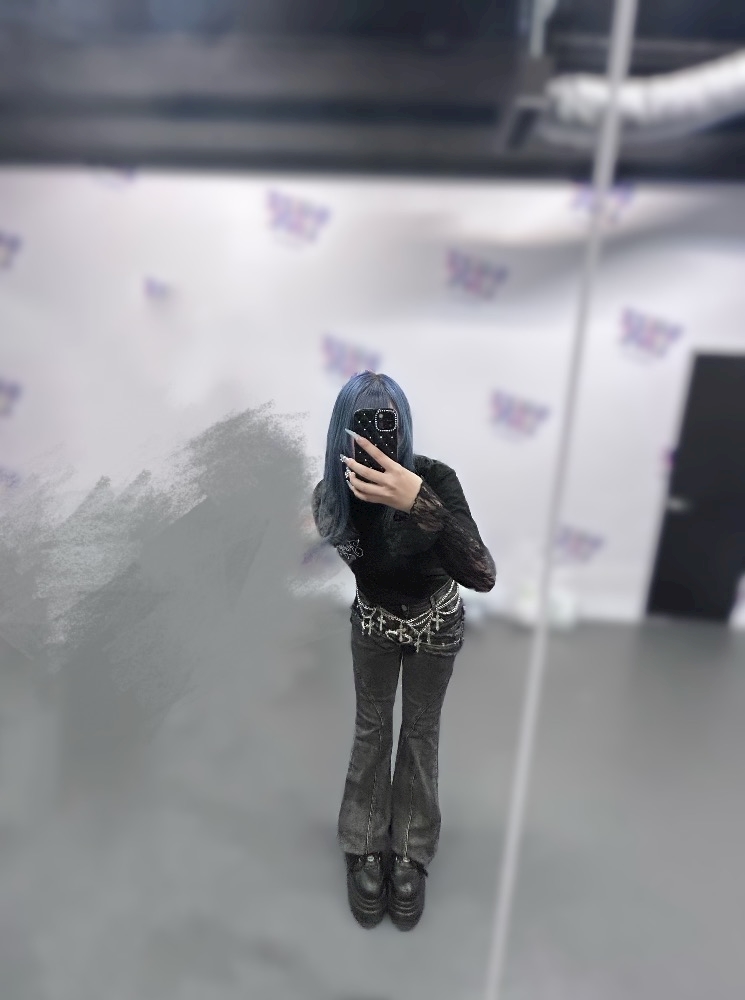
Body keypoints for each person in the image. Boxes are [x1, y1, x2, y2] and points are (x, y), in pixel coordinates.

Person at [311, 372, 496, 931]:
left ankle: (411, 848)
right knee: (371, 729)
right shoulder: (333, 496)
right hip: (373, 622)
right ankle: (364, 840)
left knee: (420, 731)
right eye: (363, 426)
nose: (376, 437)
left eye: (385, 424)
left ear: (404, 426)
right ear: (343, 433)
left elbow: (482, 574)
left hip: (436, 622)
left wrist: (420, 504)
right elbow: (374, 569)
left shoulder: (436, 480)